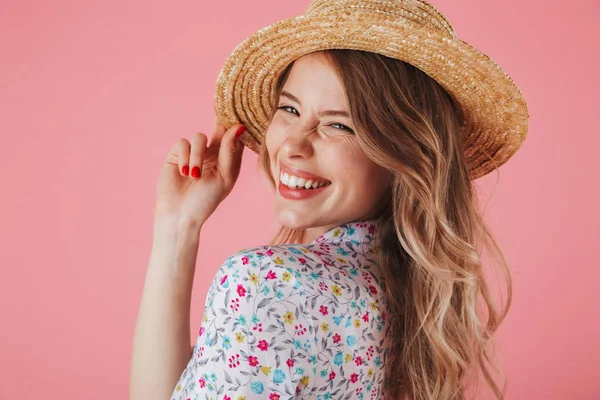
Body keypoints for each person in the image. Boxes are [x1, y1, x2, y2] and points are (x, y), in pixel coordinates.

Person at [130, 0, 529, 399]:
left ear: (403, 157)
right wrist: (178, 225)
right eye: (289, 109)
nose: (293, 145)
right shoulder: (409, 296)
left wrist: (175, 230)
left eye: (339, 124)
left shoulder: (267, 284)